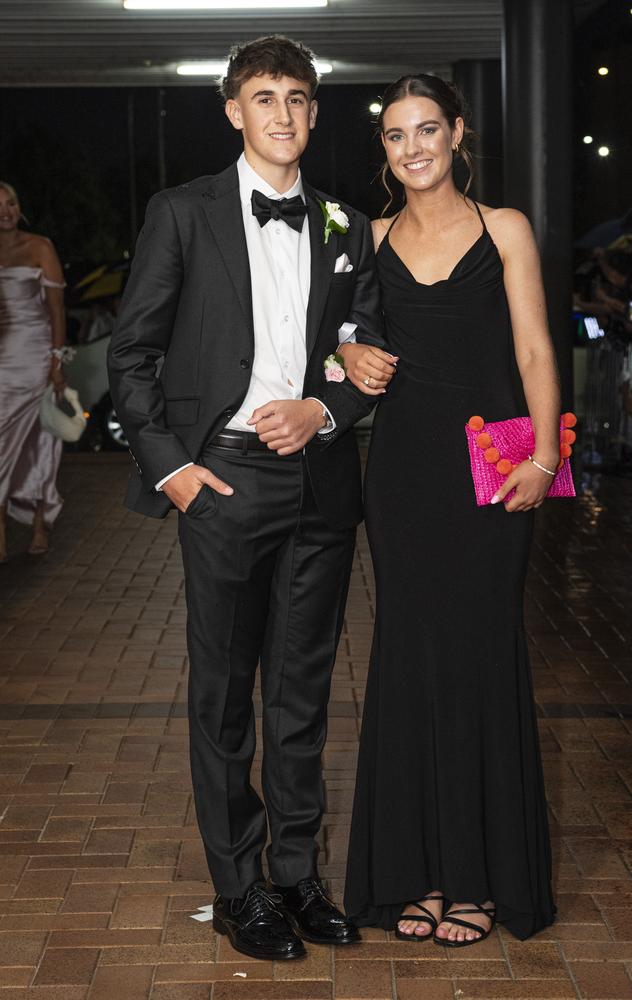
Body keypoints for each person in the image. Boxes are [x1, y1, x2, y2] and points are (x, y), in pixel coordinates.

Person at [108, 35, 386, 962]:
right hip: (220, 480)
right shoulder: (180, 213)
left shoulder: (345, 222)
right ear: (233, 111)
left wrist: (325, 409)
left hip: (319, 482)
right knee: (225, 697)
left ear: (315, 112)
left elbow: (366, 352)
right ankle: (239, 889)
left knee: (302, 694)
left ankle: (298, 876)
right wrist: (173, 470)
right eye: (263, 98)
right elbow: (132, 354)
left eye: (298, 99)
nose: (282, 115)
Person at [341, 74, 559, 946]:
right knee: (409, 659)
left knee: (479, 655)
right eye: (396, 136)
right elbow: (342, 340)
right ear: (385, 150)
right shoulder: (372, 236)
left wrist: (545, 456)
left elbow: (537, 349)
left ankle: (477, 878)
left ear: (458, 133)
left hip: (497, 464)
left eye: (427, 129)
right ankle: (415, 875)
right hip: (402, 474)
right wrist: (350, 353)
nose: (413, 147)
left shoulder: (504, 229)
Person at [0, 181, 66, 562]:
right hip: (1, 364)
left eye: (11, 203)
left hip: (37, 359)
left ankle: (39, 525)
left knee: (41, 443)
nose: (6, 211)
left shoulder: (40, 246)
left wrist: (57, 360)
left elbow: (56, 309)